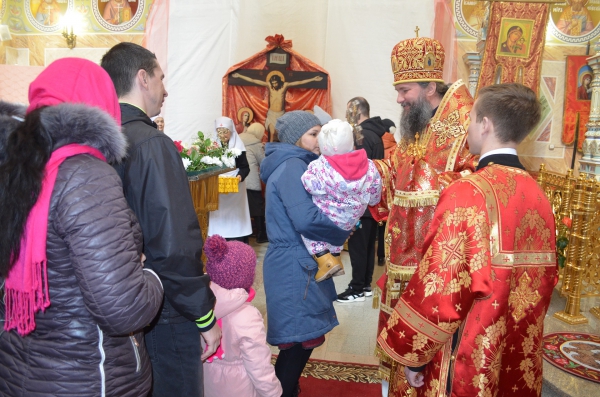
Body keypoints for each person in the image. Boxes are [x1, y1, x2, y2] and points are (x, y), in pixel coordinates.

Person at [378, 83, 558, 397]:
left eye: (472, 118)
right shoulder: (539, 196)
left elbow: (441, 286)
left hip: (467, 353)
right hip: (514, 353)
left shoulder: (468, 193)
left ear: (485, 124)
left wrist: (414, 356)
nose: (467, 127)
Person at [0, 57, 163, 396]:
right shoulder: (85, 174)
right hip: (87, 374)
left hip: (20, 370)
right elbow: (124, 308)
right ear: (102, 107)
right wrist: (151, 277)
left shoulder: (15, 167)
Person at [100, 43, 219, 397]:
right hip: (166, 305)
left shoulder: (99, 139)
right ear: (143, 78)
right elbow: (173, 243)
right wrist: (204, 315)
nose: (165, 90)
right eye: (160, 78)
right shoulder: (151, 143)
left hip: (121, 302)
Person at [371, 35, 478, 394]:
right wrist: (371, 174)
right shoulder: (416, 123)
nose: (399, 98)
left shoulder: (464, 125)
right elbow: (400, 170)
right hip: (402, 257)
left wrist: (428, 180)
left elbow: (475, 188)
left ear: (431, 86)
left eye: (405, 90)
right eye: (398, 90)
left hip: (436, 263)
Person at [259, 111, 352, 397]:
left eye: (320, 132)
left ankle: (287, 389)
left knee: (299, 342)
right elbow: (305, 219)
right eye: (313, 133)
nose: (318, 139)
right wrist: (341, 230)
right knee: (296, 345)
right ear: (295, 137)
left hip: (297, 261)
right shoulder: (291, 166)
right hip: (294, 265)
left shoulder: (298, 164)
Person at [301, 118, 382, 282]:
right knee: (338, 236)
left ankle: (325, 259)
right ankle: (336, 257)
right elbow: (375, 194)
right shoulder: (369, 165)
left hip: (328, 216)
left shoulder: (320, 166)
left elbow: (311, 185)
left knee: (307, 231)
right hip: (351, 219)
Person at [202, 234, 282, 397]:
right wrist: (273, 392)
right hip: (239, 387)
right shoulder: (247, 316)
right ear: (246, 276)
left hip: (208, 380)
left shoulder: (200, 304)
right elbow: (258, 365)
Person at [336, 97, 386, 303]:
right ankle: (365, 284)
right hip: (372, 202)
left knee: (358, 247)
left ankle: (356, 287)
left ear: (356, 112)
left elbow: (356, 171)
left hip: (360, 202)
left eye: (349, 111)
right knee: (366, 247)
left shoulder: (361, 135)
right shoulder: (376, 134)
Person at [232, 71, 323, 141]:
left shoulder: (284, 86)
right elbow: (254, 80)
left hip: (280, 114)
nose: (274, 85)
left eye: (275, 83)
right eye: (273, 83)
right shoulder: (270, 86)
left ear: (279, 82)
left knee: (279, 134)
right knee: (271, 134)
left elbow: (299, 82)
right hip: (271, 113)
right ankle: (269, 151)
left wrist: (313, 79)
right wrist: (240, 76)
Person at [208, 116, 252, 243]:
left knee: (235, 217)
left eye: (226, 131)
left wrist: (240, 176)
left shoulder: (238, 147)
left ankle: (238, 241)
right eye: (220, 131)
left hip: (236, 189)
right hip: (218, 189)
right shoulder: (212, 147)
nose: (223, 134)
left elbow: (245, 167)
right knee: (219, 216)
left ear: (231, 132)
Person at [240, 122, 268, 243]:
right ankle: (261, 234)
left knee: (241, 208)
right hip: (251, 178)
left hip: (237, 178)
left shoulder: (238, 139)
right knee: (256, 207)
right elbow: (263, 162)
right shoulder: (256, 143)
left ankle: (243, 235)